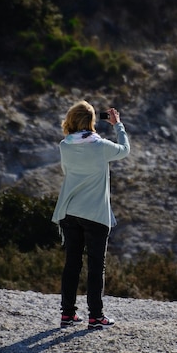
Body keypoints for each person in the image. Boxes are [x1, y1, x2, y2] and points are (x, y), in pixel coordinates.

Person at [51, 100, 130, 329]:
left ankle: (67, 314)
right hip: (95, 214)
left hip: (70, 211)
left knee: (72, 264)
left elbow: (68, 172)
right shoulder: (101, 146)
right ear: (92, 122)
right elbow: (124, 151)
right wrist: (118, 125)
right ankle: (96, 317)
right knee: (96, 266)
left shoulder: (64, 145)